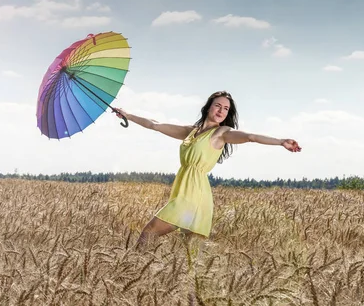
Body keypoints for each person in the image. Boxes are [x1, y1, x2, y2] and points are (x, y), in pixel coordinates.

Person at [114, 91, 301, 249]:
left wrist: (280, 142)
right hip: (184, 191)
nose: (221, 111)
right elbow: (154, 124)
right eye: (218, 106)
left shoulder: (221, 133)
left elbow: (250, 136)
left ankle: (130, 277)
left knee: (149, 233)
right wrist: (127, 115)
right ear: (208, 107)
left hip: (194, 196)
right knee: (192, 259)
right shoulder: (191, 131)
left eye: (226, 109)